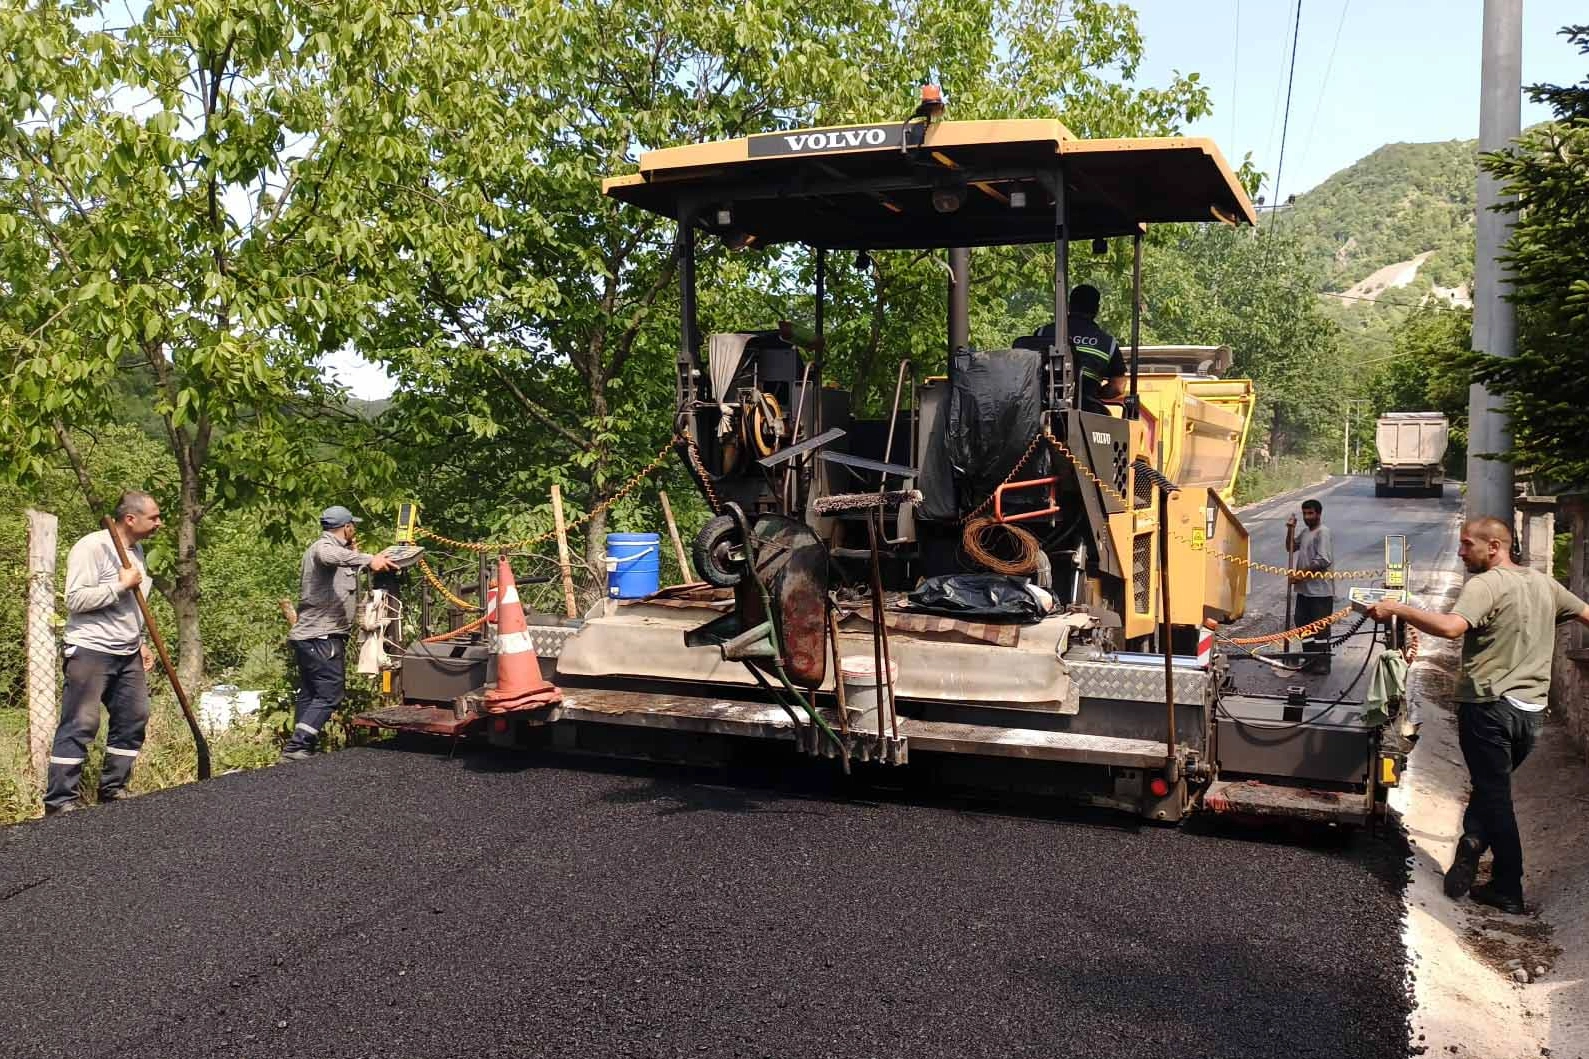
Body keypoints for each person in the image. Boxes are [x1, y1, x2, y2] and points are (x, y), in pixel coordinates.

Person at [1368, 517, 1589, 914]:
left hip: (1488, 708)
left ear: (1494, 546)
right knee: (1490, 788)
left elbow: (1451, 628)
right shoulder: (1545, 585)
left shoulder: (1485, 585)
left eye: (1467, 544)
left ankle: (1508, 886)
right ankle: (1471, 842)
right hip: (1531, 713)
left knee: (1495, 796)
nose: (1460, 552)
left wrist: (1398, 608)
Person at [45, 491, 162, 815]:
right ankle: (60, 801)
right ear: (131, 519)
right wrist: (119, 586)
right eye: (154, 517)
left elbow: (131, 607)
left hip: (128, 651)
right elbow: (75, 599)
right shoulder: (93, 547)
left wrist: (140, 640)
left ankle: (112, 790)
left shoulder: (136, 551)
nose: (159, 523)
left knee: (134, 718)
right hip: (91, 649)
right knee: (81, 723)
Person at [282, 506, 393, 762]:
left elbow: (341, 568)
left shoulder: (341, 554)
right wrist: (368, 559)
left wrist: (356, 555)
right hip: (321, 636)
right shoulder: (323, 547)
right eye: (353, 526)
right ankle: (297, 746)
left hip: (314, 636)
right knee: (330, 693)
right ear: (347, 527)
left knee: (311, 693)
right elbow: (328, 554)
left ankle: (299, 750)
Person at [1030, 284, 1127, 413]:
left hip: (1041, 408)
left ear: (1069, 306)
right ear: (1096, 309)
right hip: (1087, 409)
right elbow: (1118, 387)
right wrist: (1096, 393)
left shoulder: (1042, 333)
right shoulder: (1108, 343)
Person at [1287, 499, 1335, 674]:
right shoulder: (1305, 532)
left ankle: (1322, 663)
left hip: (1320, 592)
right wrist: (1290, 529)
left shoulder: (1323, 533)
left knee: (1319, 628)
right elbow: (1290, 547)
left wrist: (1300, 575)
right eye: (1305, 513)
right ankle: (1309, 659)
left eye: (1310, 513)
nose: (1307, 517)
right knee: (1303, 625)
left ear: (1318, 514)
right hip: (1304, 591)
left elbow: (1322, 560)